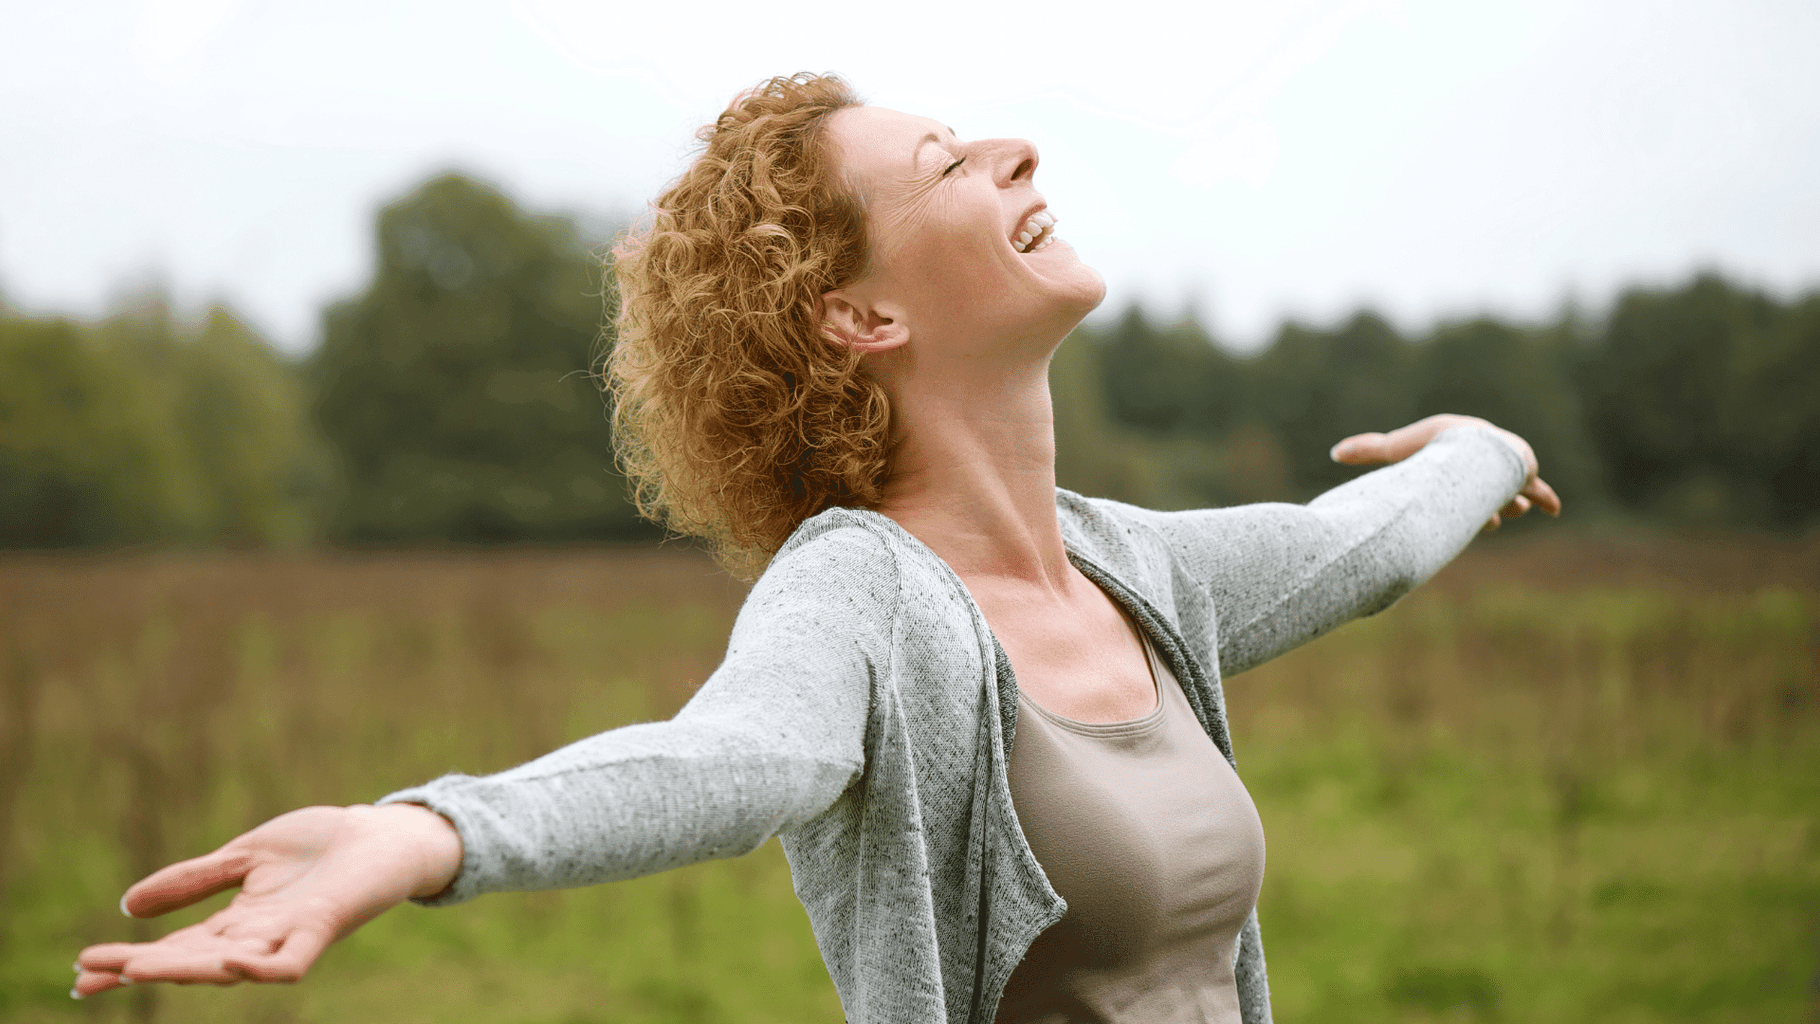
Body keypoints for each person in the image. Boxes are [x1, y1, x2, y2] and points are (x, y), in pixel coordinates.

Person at [73, 73, 1558, 1023]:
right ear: (863, 318)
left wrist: (1481, 449)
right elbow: (735, 760)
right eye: (947, 160)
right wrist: (421, 833)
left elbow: (1354, 540)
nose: (1013, 143)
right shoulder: (863, 596)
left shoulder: (1133, 571)